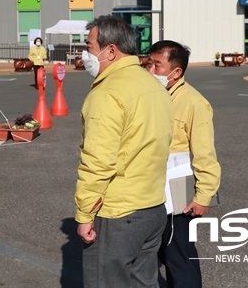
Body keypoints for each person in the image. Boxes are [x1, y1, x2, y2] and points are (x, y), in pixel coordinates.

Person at [75, 15, 174, 288]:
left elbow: (98, 163)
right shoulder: (154, 85)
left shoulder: (107, 93)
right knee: (144, 281)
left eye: (90, 46)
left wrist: (84, 215)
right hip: (153, 206)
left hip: (118, 212)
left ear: (110, 51)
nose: (86, 53)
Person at [147, 41, 221, 288]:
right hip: (150, 188)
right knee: (156, 250)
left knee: (178, 253)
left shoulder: (193, 102)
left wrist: (203, 196)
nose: (151, 70)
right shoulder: (152, 94)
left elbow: (205, 154)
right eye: (149, 62)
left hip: (178, 189)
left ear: (176, 72)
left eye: (157, 65)